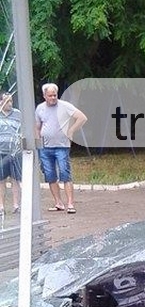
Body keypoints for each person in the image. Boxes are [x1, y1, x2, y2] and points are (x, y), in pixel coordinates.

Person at [35, 83, 87, 214]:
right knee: (50, 175)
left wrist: (71, 130)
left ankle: (70, 203)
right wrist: (38, 143)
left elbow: (82, 118)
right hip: (45, 147)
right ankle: (58, 202)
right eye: (50, 95)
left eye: (55, 95)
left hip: (62, 146)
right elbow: (37, 127)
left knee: (65, 173)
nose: (53, 98)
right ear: (44, 96)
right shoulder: (40, 108)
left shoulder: (65, 106)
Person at [0, 92, 22, 215]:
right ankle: (1, 206)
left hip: (15, 152)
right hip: (1, 152)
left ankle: (16, 205)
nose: (10, 104)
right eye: (7, 101)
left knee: (15, 179)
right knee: (1, 180)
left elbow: (23, 128)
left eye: (11, 101)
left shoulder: (17, 114)